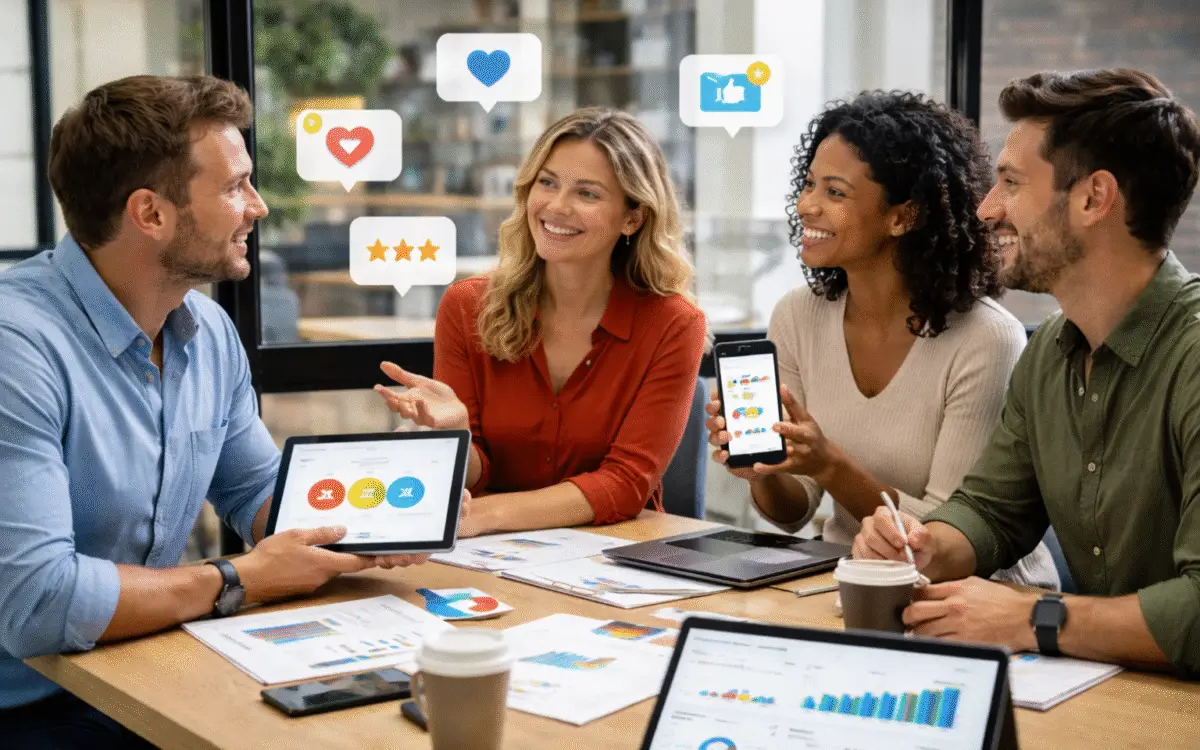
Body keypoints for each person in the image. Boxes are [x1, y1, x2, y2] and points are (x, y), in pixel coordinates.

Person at [0, 75, 436, 746]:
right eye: (234, 187)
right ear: (151, 214)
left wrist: (376, 524)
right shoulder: (17, 347)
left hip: (148, 665)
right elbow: (39, 601)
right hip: (30, 703)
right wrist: (237, 578)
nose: (257, 207)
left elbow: (256, 489)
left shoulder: (203, 328)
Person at [853, 68, 1200, 676]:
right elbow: (992, 511)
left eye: (1011, 182)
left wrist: (1030, 617)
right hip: (1107, 694)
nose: (987, 210)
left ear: (1094, 198)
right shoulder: (1049, 354)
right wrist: (927, 543)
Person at [705, 91, 1058, 587]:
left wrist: (830, 464)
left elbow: (941, 533)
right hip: (846, 585)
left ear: (902, 216)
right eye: (808, 186)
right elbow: (791, 514)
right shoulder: (797, 317)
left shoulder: (986, 338)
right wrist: (764, 468)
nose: (807, 206)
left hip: (975, 596)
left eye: (835, 192)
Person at [376, 107, 708, 537]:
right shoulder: (466, 306)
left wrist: (483, 517)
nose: (556, 206)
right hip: (487, 557)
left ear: (633, 217)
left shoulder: (673, 324)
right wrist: (456, 434)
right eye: (547, 183)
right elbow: (473, 475)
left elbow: (625, 483)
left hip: (615, 556)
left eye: (587, 194)